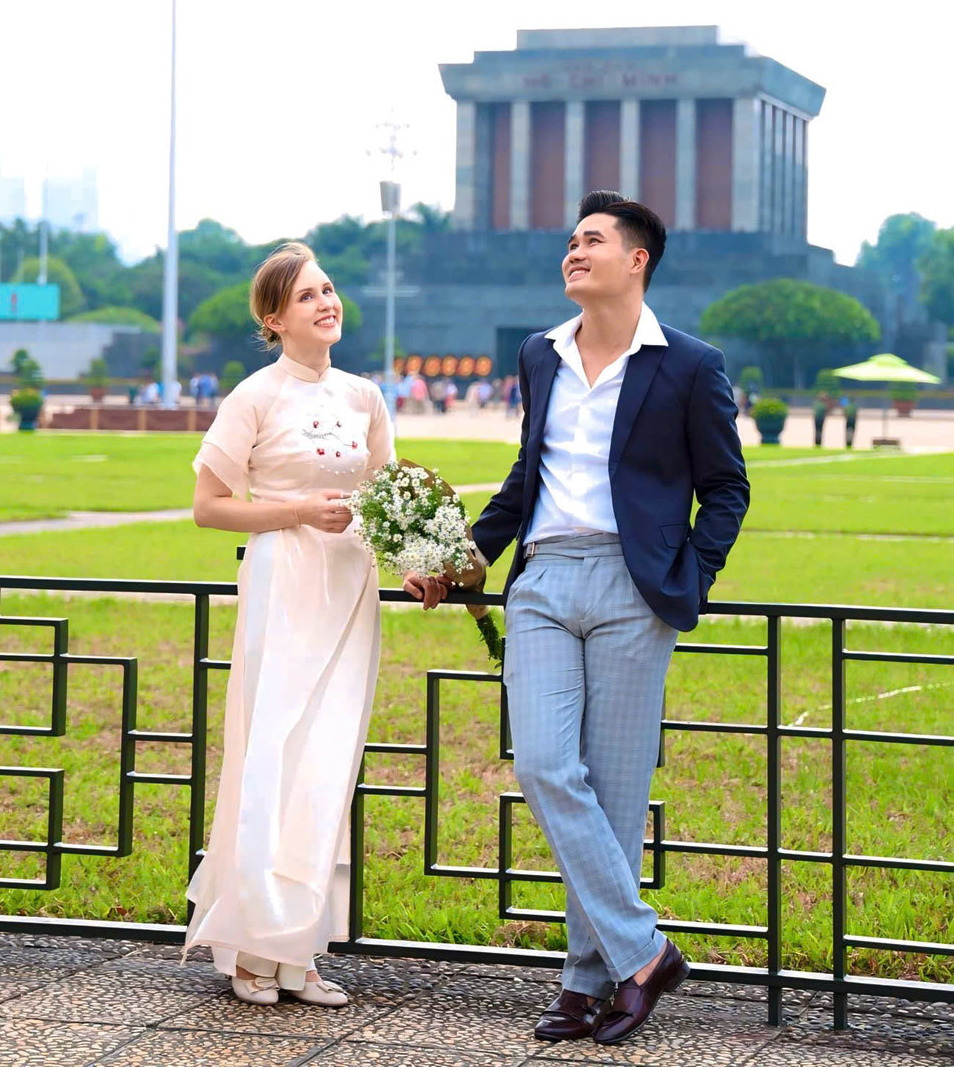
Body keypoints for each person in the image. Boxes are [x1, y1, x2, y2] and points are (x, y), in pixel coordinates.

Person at [405, 192, 749, 1047]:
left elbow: (726, 489)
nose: (573, 250)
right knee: (547, 765)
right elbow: (527, 477)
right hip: (545, 582)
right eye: (569, 241)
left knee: (615, 796)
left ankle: (585, 981)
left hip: (636, 590)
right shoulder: (541, 354)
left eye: (592, 239)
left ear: (637, 260)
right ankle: (646, 954)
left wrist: (690, 578)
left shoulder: (690, 365)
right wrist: (463, 556)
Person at [184, 242, 394, 1006]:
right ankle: (249, 946)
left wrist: (419, 563)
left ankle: (299, 950)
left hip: (350, 590)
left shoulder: (364, 396)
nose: (326, 303)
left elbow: (384, 500)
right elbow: (209, 507)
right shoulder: (255, 397)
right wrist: (298, 511)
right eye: (307, 296)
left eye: (328, 289)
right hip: (284, 583)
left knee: (328, 760)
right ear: (274, 319)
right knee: (271, 753)